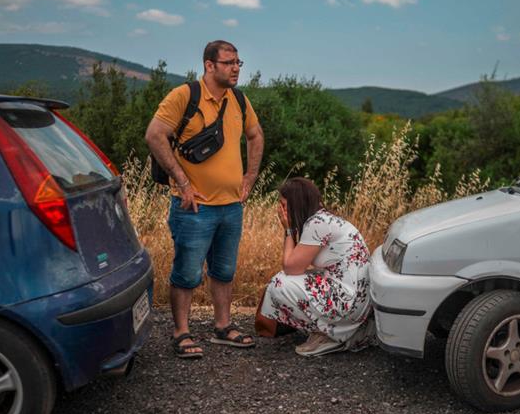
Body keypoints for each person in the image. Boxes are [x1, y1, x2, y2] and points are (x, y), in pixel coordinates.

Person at [145, 40, 264, 359]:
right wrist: (182, 182)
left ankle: (223, 326)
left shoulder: (239, 99)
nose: (236, 68)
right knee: (187, 273)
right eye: (229, 63)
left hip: (230, 206)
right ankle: (181, 332)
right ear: (209, 66)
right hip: (193, 207)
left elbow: (256, 135)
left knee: (224, 270)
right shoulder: (185, 96)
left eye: (239, 62)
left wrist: (250, 177)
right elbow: (154, 135)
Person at [261, 177, 373, 356]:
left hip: (349, 302)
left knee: (279, 283)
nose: (280, 210)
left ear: (296, 204)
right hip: (357, 298)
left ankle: (328, 334)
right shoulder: (322, 219)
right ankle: (340, 330)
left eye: (283, 205)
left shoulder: (317, 224)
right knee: (293, 278)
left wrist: (288, 229)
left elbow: (291, 267)